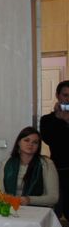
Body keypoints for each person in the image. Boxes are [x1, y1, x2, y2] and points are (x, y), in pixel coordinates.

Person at [0, 127, 59, 207]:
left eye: (35, 142)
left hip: (38, 210)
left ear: (38, 146)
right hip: (11, 208)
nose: (30, 144)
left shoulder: (46, 164)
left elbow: (53, 198)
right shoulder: (6, 163)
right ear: (18, 142)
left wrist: (29, 200)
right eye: (26, 140)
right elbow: (0, 194)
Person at [40, 80, 69, 219]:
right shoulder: (47, 120)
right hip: (56, 171)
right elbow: (49, 139)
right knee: (54, 213)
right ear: (57, 96)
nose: (68, 99)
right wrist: (58, 119)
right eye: (65, 95)